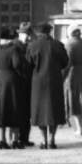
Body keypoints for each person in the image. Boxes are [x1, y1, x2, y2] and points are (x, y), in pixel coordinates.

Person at [27, 21, 69, 149]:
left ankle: (44, 140)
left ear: (38, 32)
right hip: (55, 80)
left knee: (40, 112)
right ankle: (52, 140)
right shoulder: (58, 45)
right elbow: (65, 62)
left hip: (38, 82)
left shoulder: (33, 46)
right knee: (54, 111)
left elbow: (28, 64)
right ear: (50, 31)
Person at [0, 27, 28, 150]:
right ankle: (15, 140)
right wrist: (22, 76)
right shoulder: (14, 50)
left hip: (0, 83)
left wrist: (0, 77)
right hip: (13, 83)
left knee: (3, 112)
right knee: (15, 111)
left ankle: (3, 140)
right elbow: (17, 64)